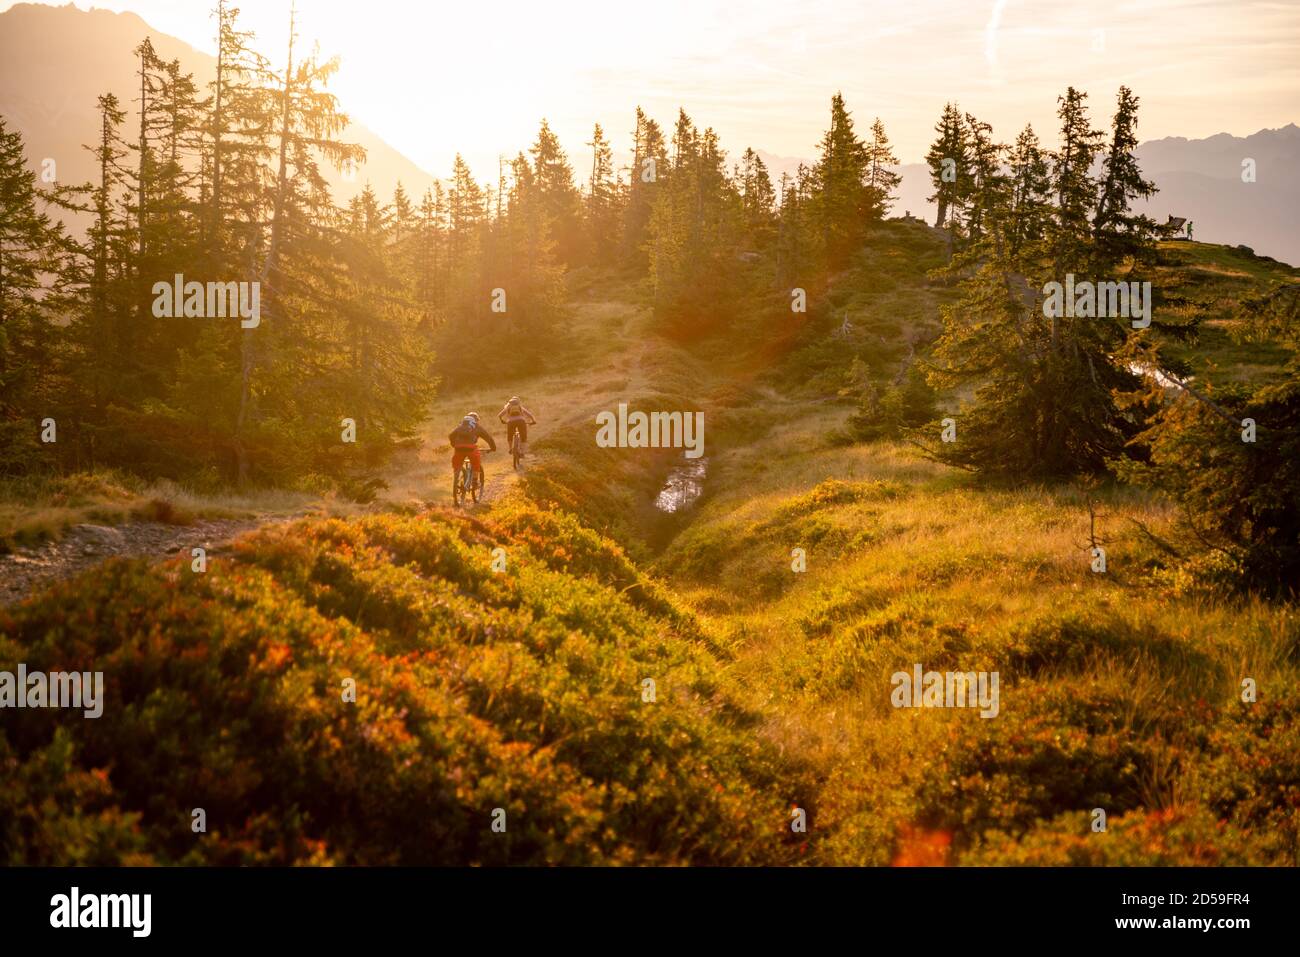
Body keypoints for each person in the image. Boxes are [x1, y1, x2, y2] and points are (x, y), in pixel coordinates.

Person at [448, 412, 496, 486]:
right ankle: (474, 481)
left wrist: (454, 444)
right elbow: (488, 437)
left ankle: (456, 479)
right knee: (476, 463)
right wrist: (493, 448)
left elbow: (451, 435)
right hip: (471, 448)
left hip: (458, 448)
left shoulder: (460, 426)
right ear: (475, 420)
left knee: (457, 465)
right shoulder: (477, 426)